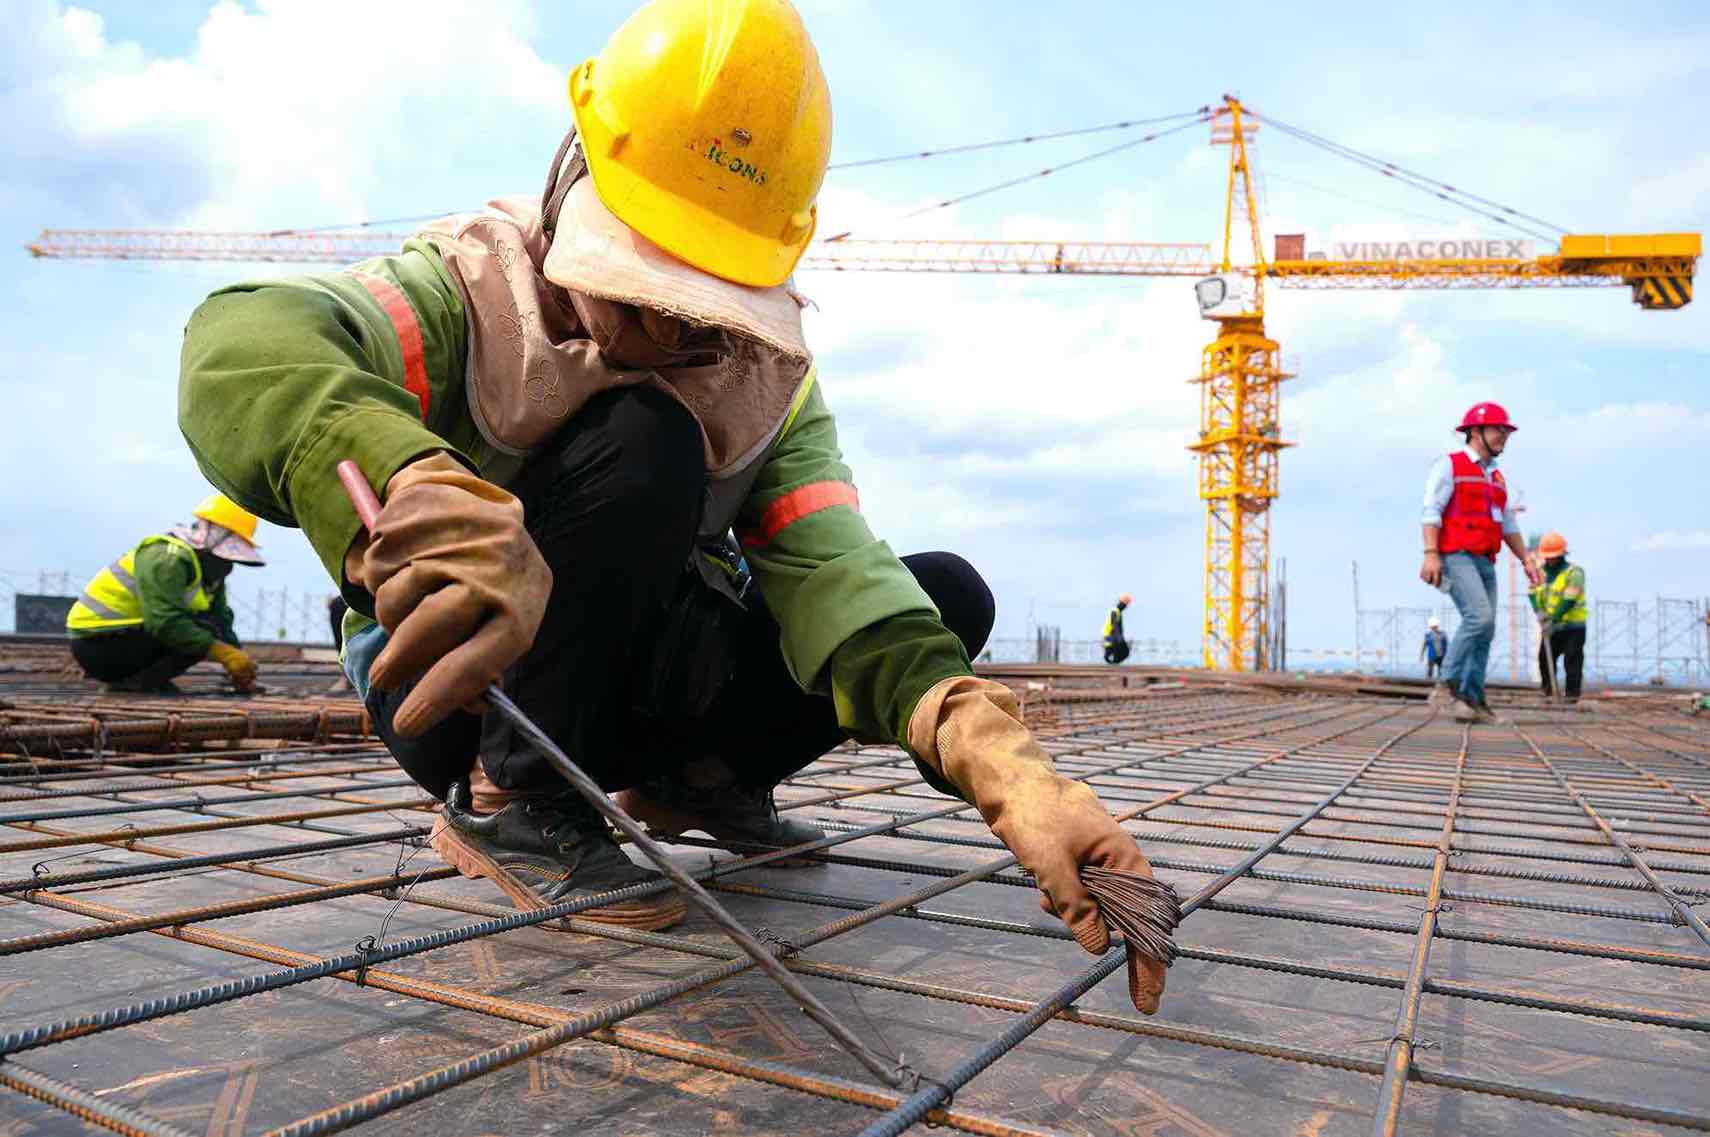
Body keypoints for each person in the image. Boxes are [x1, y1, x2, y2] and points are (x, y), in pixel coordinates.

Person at [176, 0, 1166, 1013]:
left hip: (631, 684)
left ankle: (700, 785)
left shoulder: (762, 380)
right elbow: (243, 341)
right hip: (462, 693)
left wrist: (1006, 770)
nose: (664, 325)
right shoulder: (469, 294)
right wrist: (409, 478)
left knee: (939, 595)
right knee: (644, 438)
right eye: (640, 280)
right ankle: (516, 807)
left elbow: (838, 577)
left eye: (697, 302)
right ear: (575, 186)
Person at [1419, 402, 1542, 722]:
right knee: (1479, 617)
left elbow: (1508, 525)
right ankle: (1446, 685)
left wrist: (1526, 559)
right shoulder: (1449, 465)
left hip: (1485, 559)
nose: (1504, 436)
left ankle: (1472, 700)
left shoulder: (1497, 478)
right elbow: (1431, 511)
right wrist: (1430, 554)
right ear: (1475, 432)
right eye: (1498, 430)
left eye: (1506, 431)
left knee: (1485, 629)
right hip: (1455, 554)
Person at [65, 495, 263, 692]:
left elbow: (220, 618)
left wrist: (238, 661)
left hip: (128, 637)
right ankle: (133, 683)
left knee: (209, 626)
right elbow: (164, 622)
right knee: (199, 630)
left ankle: (147, 680)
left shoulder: (209, 569)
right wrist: (224, 654)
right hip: (98, 645)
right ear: (209, 533)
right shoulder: (166, 558)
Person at [1529, 531, 1587, 702]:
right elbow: (1532, 593)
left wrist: (1553, 619)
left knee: (1573, 660)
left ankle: (1571, 695)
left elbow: (1569, 599)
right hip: (1550, 626)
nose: (1550, 560)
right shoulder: (1540, 573)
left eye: (1554, 556)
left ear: (1562, 555)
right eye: (1548, 556)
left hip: (1572, 626)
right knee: (1544, 659)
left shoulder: (1574, 573)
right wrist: (1539, 611)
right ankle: (1548, 692)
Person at [1103, 594, 1133, 664]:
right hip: (1111, 634)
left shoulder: (1117, 611)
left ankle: (1110, 657)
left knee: (1119, 650)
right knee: (1125, 651)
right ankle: (1111, 658)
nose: (1125, 607)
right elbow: (1115, 624)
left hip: (1111, 635)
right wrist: (1119, 637)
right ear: (1121, 603)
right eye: (1125, 605)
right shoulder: (1115, 611)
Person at [1420, 616, 1448, 680]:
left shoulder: (1443, 634)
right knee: (1430, 671)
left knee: (1441, 672)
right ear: (1431, 627)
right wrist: (1421, 655)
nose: (1434, 628)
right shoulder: (1428, 635)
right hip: (1432, 656)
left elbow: (1447, 645)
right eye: (1433, 627)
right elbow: (1424, 645)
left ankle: (1439, 685)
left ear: (1437, 626)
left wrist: (1447, 656)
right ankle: (1428, 683)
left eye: (1435, 626)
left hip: (1441, 656)